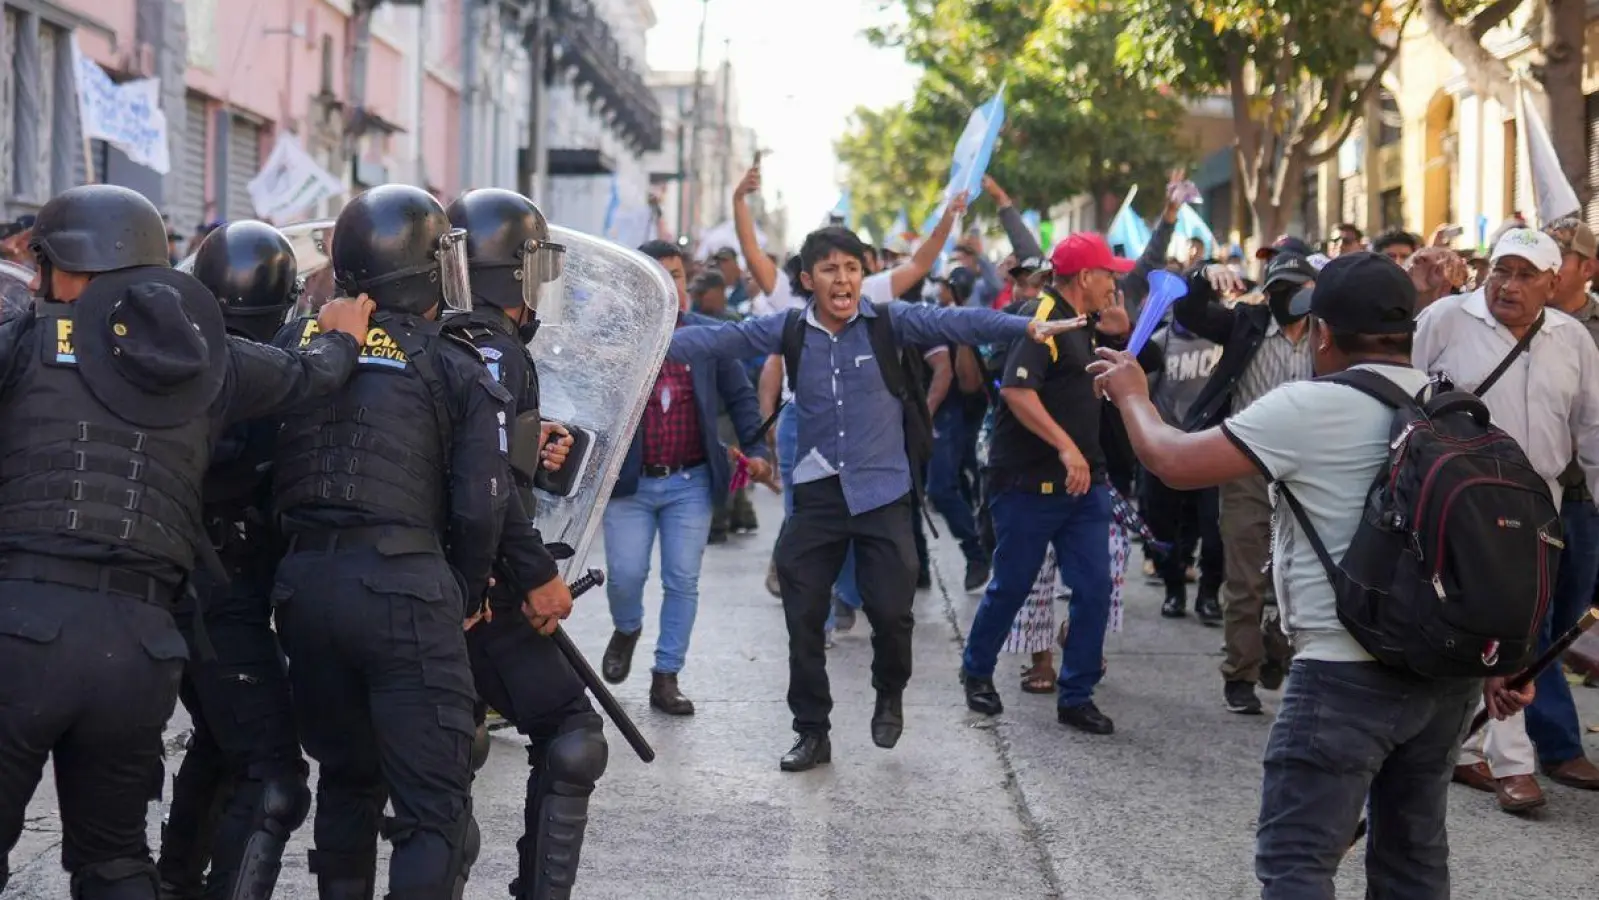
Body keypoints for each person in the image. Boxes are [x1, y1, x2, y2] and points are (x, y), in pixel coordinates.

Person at [1088, 251, 1535, 899]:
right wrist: (1499, 659)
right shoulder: (1451, 408)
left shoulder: (1308, 405)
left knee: (1295, 863)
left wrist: (1132, 395)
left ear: (1322, 333)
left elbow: (1172, 460)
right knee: (1411, 861)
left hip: (1341, 676)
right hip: (1445, 676)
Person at [0, 184, 372, 900]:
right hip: (140, 649)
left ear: (67, 266)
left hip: (21, 625)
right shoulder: (209, 359)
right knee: (112, 861)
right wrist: (343, 333)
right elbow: (311, 376)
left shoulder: (25, 341)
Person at [665, 212, 1074, 771]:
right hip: (816, 494)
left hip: (883, 493)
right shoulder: (787, 329)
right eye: (829, 269)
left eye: (853, 268)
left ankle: (889, 690)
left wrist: (1022, 328)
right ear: (807, 279)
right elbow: (718, 341)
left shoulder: (889, 322)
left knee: (892, 611)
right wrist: (647, 337)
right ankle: (812, 730)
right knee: (803, 615)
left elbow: (957, 323)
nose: (843, 279)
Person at [268, 184, 548, 898]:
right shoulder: (454, 361)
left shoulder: (297, 345)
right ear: (434, 268)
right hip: (404, 590)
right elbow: (484, 502)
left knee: (346, 784)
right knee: (433, 809)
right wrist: (466, 588)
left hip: (304, 591)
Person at [443, 188, 605, 900]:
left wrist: (526, 451)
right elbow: (486, 494)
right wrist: (536, 575)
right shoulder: (500, 353)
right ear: (517, 273)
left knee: (438, 756)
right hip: (481, 587)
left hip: (400, 586)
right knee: (572, 736)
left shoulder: (415, 335)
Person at [155, 221, 317, 900]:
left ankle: (176, 879)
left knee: (224, 742)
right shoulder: (261, 375)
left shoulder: (163, 357)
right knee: (273, 774)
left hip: (177, 586)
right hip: (218, 595)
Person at [1414, 227, 1599, 813]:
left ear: (1554, 282)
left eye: (1525, 275)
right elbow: (1402, 395)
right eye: (1501, 271)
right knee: (1464, 617)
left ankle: (1473, 746)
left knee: (1518, 622)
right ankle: (1510, 763)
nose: (1508, 286)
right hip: (1455, 497)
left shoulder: (1572, 339)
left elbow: (1594, 429)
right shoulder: (1446, 319)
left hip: (1537, 500)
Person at [959, 232, 1159, 736]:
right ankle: (977, 670)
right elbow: (1019, 393)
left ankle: (1077, 694)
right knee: (1013, 585)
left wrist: (1111, 349)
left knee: (1094, 588)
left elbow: (1074, 384)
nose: (1115, 282)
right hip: (1029, 484)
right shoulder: (1042, 317)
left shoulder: (1085, 323)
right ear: (1086, 277)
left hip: (1083, 486)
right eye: (1109, 273)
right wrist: (1065, 447)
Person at [598, 239, 771, 717]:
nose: (668, 284)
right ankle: (627, 627)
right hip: (629, 488)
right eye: (656, 274)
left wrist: (756, 449)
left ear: (686, 279)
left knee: (682, 579)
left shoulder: (711, 337)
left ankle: (666, 675)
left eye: (675, 274)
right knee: (627, 576)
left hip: (690, 484)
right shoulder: (618, 336)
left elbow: (741, 397)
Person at [1175, 249, 1315, 715]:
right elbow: (1189, 311)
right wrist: (1200, 278)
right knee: (1246, 575)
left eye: (1296, 289)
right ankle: (1240, 674)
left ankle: (1277, 651)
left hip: (1310, 472)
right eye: (1278, 290)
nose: (1287, 299)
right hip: (1246, 465)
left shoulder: (1331, 334)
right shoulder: (1245, 324)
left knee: (1300, 577)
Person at [1519, 216, 1599, 796]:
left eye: (1560, 253)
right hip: (1529, 497)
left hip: (1587, 498)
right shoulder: (1514, 319)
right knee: (1536, 620)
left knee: (1571, 622)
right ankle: (1555, 745)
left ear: (1585, 268)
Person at [1145, 315, 1224, 623]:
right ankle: (1173, 590)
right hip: (1168, 448)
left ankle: (1209, 594)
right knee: (1164, 527)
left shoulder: (1221, 338)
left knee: (1215, 530)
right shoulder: (1160, 342)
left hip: (1212, 447)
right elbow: (1144, 394)